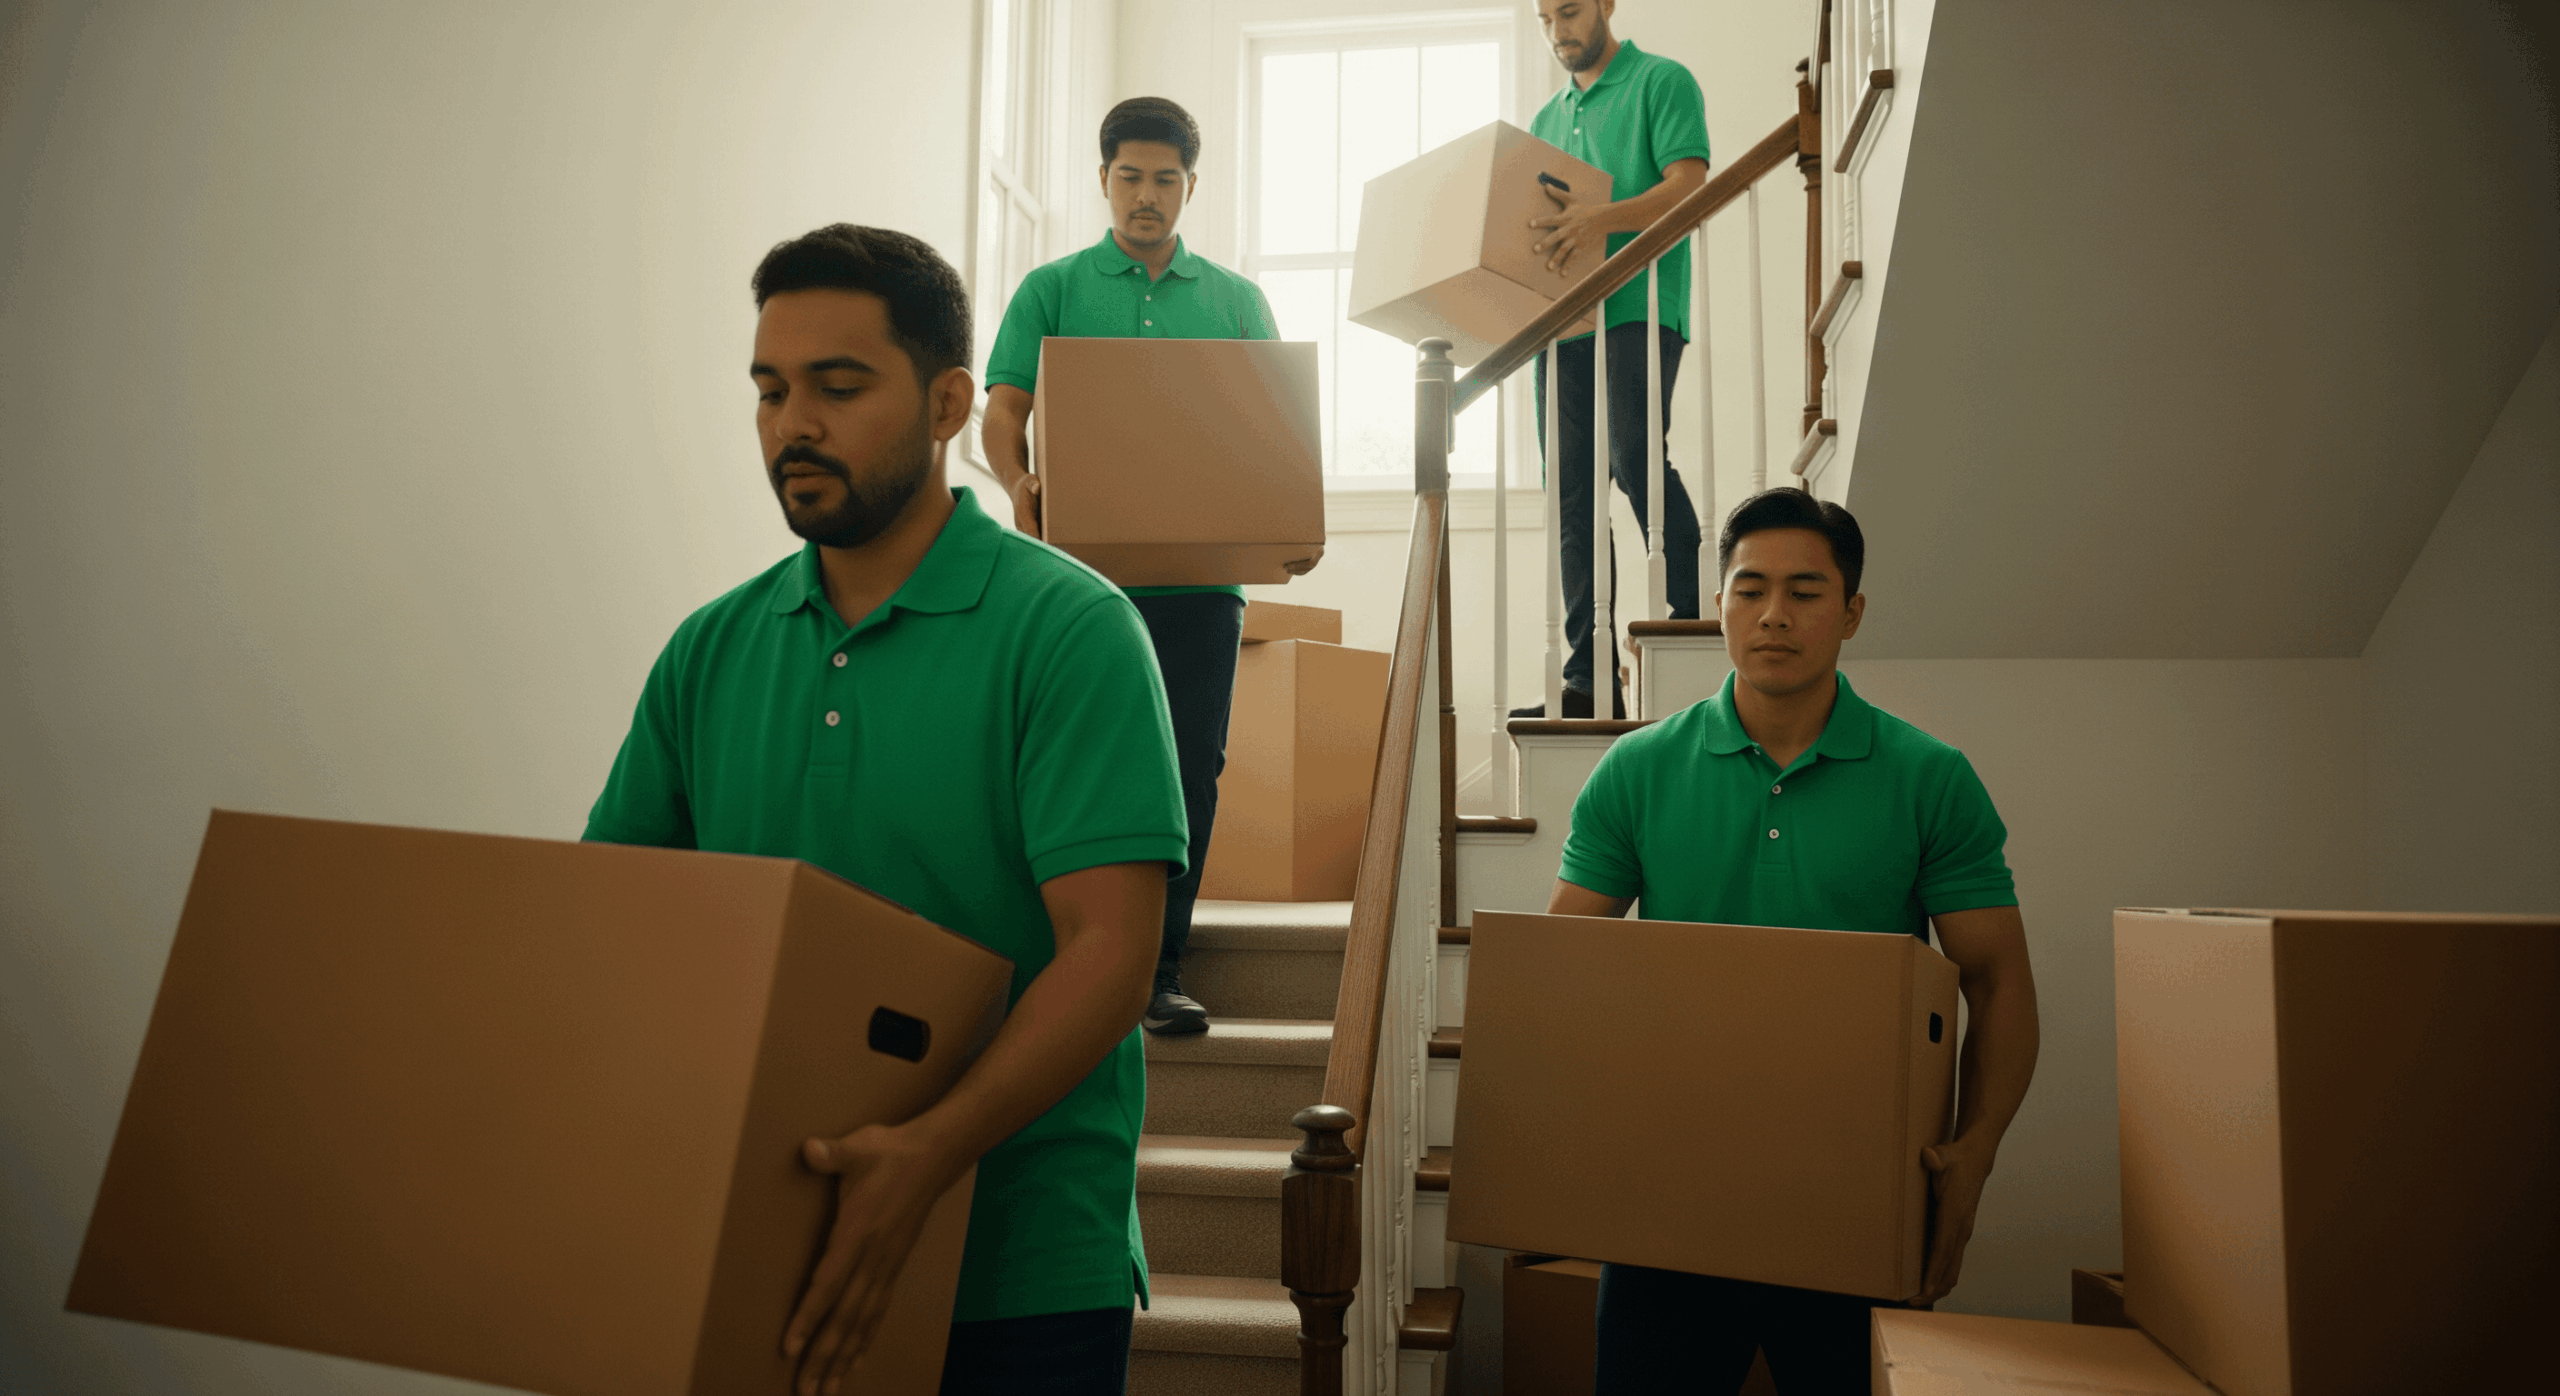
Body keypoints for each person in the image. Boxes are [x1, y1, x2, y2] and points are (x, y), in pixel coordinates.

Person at [584, 225, 1186, 1396]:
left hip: (1018, 1268)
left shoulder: (1071, 629)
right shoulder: (708, 649)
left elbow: (1111, 958)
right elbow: (616, 922)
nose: (791, 423)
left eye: (838, 386)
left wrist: (927, 1153)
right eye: (769, 389)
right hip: (762, 1247)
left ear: (949, 401)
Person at [1548, 488, 2042, 1394]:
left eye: (1806, 592)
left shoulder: (1929, 778)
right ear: (1722, 606)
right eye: (1749, 588)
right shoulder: (1638, 769)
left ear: (1852, 612)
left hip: (1859, 1190)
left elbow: (2000, 980)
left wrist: (1975, 1154)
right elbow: (1559, 973)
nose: (1773, 614)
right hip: (1673, 1190)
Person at [981, 95, 1309, 1037]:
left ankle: (1159, 970)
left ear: (1190, 187)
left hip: (1202, 588)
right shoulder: (1052, 289)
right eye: (1130, 176)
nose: (1147, 196)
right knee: (1062, 764)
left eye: (1166, 179)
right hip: (1077, 581)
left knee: (1185, 774)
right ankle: (1055, 960)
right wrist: (1019, 479)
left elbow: (1273, 432)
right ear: (1103, 180)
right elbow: (1004, 411)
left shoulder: (1237, 300)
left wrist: (1287, 517)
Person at [1517, 0, 1714, 719]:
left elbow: (1689, 188)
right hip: (1562, 326)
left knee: (1637, 462)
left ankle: (1692, 619)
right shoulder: (1542, 123)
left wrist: (1599, 219)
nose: (1557, 31)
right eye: (1544, 19)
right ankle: (1588, 677)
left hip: (1639, 309)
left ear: (1604, 4)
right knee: (1570, 496)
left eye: (1569, 11)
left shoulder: (1661, 82)